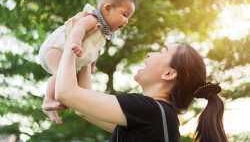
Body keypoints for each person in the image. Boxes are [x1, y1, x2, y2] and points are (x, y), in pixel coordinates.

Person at [55, 14, 229, 142]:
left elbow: (65, 92)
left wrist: (73, 38)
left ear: (169, 74)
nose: (149, 54)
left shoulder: (149, 111)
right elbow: (83, 109)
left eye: (161, 52)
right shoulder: (154, 118)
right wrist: (88, 48)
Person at [38, 0, 137, 124]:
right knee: (60, 73)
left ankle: (58, 103)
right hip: (56, 48)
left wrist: (91, 66)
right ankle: (48, 100)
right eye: (124, 15)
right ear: (108, 8)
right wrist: (75, 43)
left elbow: (96, 50)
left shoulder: (104, 33)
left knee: (69, 79)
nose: (126, 21)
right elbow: (78, 27)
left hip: (69, 53)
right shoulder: (94, 18)